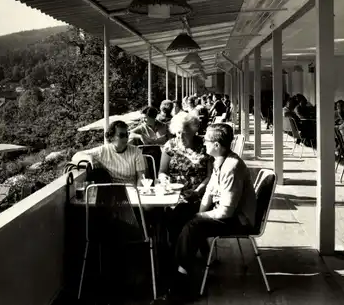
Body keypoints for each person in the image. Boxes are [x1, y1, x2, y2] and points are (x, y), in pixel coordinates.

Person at [153, 123, 257, 303]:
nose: (204, 144)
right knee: (178, 213)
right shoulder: (219, 160)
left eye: (207, 141)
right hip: (224, 211)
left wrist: (198, 216)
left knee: (193, 226)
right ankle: (176, 269)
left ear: (216, 145)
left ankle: (182, 286)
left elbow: (226, 211)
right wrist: (195, 211)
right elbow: (209, 192)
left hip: (238, 219)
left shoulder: (231, 167)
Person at [158, 112, 213, 245]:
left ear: (193, 131)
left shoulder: (205, 145)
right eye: (177, 133)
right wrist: (164, 179)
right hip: (174, 194)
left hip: (201, 195)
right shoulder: (170, 145)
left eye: (184, 132)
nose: (180, 136)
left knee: (179, 214)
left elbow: (211, 176)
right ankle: (177, 251)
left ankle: (181, 253)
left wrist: (197, 191)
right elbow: (162, 171)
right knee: (163, 214)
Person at [71, 121, 146, 187]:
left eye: (127, 135)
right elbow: (76, 156)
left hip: (131, 191)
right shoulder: (103, 151)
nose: (125, 138)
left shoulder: (136, 151)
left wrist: (137, 197)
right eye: (121, 135)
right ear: (111, 137)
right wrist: (91, 158)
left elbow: (141, 177)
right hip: (110, 192)